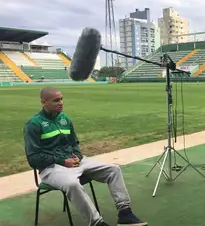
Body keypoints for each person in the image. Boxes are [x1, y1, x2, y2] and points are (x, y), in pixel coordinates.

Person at [23, 87, 148, 226]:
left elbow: (74, 143)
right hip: (51, 168)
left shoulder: (65, 119)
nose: (61, 102)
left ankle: (125, 214)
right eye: (56, 100)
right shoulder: (33, 124)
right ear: (43, 102)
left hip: (75, 162)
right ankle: (96, 223)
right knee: (72, 184)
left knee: (114, 170)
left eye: (61, 99)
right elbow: (33, 157)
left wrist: (77, 155)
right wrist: (63, 161)